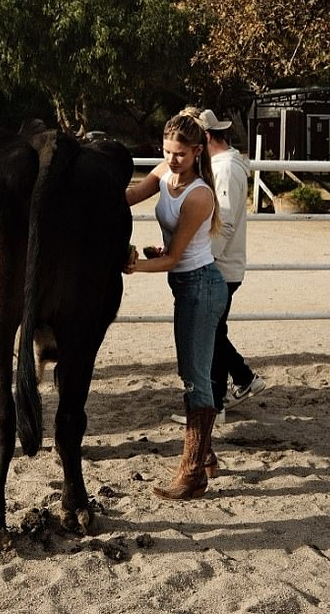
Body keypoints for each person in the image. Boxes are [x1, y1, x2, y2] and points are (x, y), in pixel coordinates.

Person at [124, 113, 228, 500]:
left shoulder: (200, 194)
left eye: (180, 154)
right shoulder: (165, 173)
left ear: (197, 151)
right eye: (167, 151)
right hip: (186, 283)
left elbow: (175, 259)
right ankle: (206, 457)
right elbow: (131, 196)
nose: (172, 160)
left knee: (194, 377)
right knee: (193, 371)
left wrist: (134, 265)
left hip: (200, 286)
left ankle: (192, 476)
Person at [196, 108, 265, 413]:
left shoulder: (224, 169)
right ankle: (238, 382)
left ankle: (218, 399)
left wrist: (203, 258)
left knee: (210, 333)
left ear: (206, 137)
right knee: (214, 331)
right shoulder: (225, 164)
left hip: (220, 266)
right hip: (225, 264)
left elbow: (223, 222)